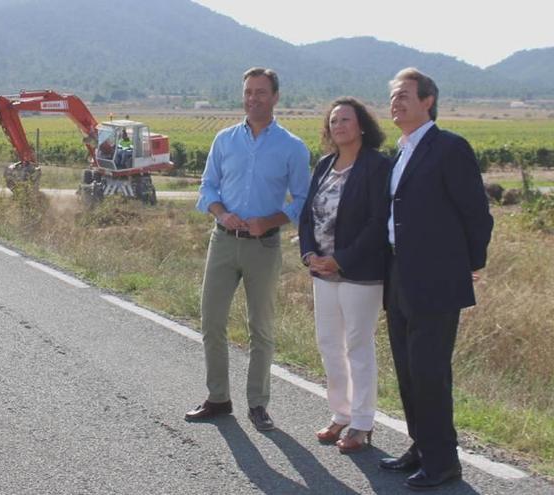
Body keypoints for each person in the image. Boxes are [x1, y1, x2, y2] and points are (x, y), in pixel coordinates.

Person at [379, 68, 493, 491]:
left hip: (436, 279)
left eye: (405, 95)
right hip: (399, 276)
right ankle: (421, 446)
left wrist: (469, 264)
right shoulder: (401, 150)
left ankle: (444, 461)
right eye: (392, 95)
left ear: (428, 100)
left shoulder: (449, 148)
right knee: (407, 371)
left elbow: (477, 214)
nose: (396, 102)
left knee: (429, 372)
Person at [185, 67, 310, 431]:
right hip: (223, 242)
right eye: (248, 92)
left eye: (261, 92)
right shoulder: (224, 140)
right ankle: (218, 398)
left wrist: (269, 221)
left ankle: (258, 404)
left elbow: (302, 200)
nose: (253, 98)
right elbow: (207, 188)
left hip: (264, 246)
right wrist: (221, 213)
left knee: (262, 328)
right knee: (212, 322)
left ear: (275, 97)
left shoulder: (292, 147)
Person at [298, 97, 390, 453]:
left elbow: (377, 224)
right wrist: (309, 254)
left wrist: (341, 259)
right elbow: (307, 215)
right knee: (328, 344)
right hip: (322, 272)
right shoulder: (324, 165)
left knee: (358, 344)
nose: (339, 125)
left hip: (359, 273)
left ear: (362, 125)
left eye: (346, 119)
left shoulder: (376, 166)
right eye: (333, 120)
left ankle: (363, 423)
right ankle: (341, 413)